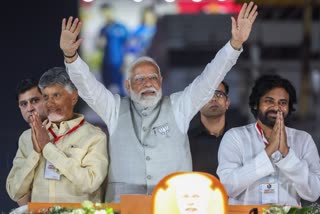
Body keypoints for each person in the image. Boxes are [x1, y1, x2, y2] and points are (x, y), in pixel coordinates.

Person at [59, 2, 258, 202]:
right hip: (124, 204)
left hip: (173, 203)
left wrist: (234, 45)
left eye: (153, 78)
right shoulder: (114, 108)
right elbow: (87, 87)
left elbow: (209, 79)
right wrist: (71, 57)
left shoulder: (179, 106)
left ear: (161, 81)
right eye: (139, 79)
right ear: (127, 86)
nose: (148, 84)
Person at [6, 67, 108, 203]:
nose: (50, 103)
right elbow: (14, 191)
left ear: (73, 97)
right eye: (46, 97)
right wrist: (36, 153)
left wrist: (47, 148)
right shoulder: (28, 137)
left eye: (56, 95)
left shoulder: (94, 136)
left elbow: (90, 183)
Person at [217, 74, 320, 206]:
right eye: (269, 101)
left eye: (283, 103)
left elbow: (314, 192)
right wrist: (269, 150)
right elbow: (227, 187)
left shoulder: (303, 140)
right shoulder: (235, 137)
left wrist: (287, 155)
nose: (276, 107)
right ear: (255, 105)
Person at [8, 78, 47, 206]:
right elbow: (16, 191)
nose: (30, 108)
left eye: (35, 101)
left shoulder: (66, 129)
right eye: (23, 104)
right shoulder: (25, 138)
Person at [188, 81, 230, 178]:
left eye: (219, 94)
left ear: (227, 103)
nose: (213, 98)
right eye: (207, 95)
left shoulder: (240, 138)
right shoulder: (185, 142)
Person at [98, 3, 128, 96]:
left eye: (108, 12)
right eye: (104, 13)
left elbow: (127, 46)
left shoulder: (121, 27)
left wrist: (125, 62)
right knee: (107, 92)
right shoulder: (103, 29)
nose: (107, 15)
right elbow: (100, 47)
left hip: (119, 64)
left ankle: (124, 109)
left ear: (112, 12)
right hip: (106, 64)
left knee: (121, 90)